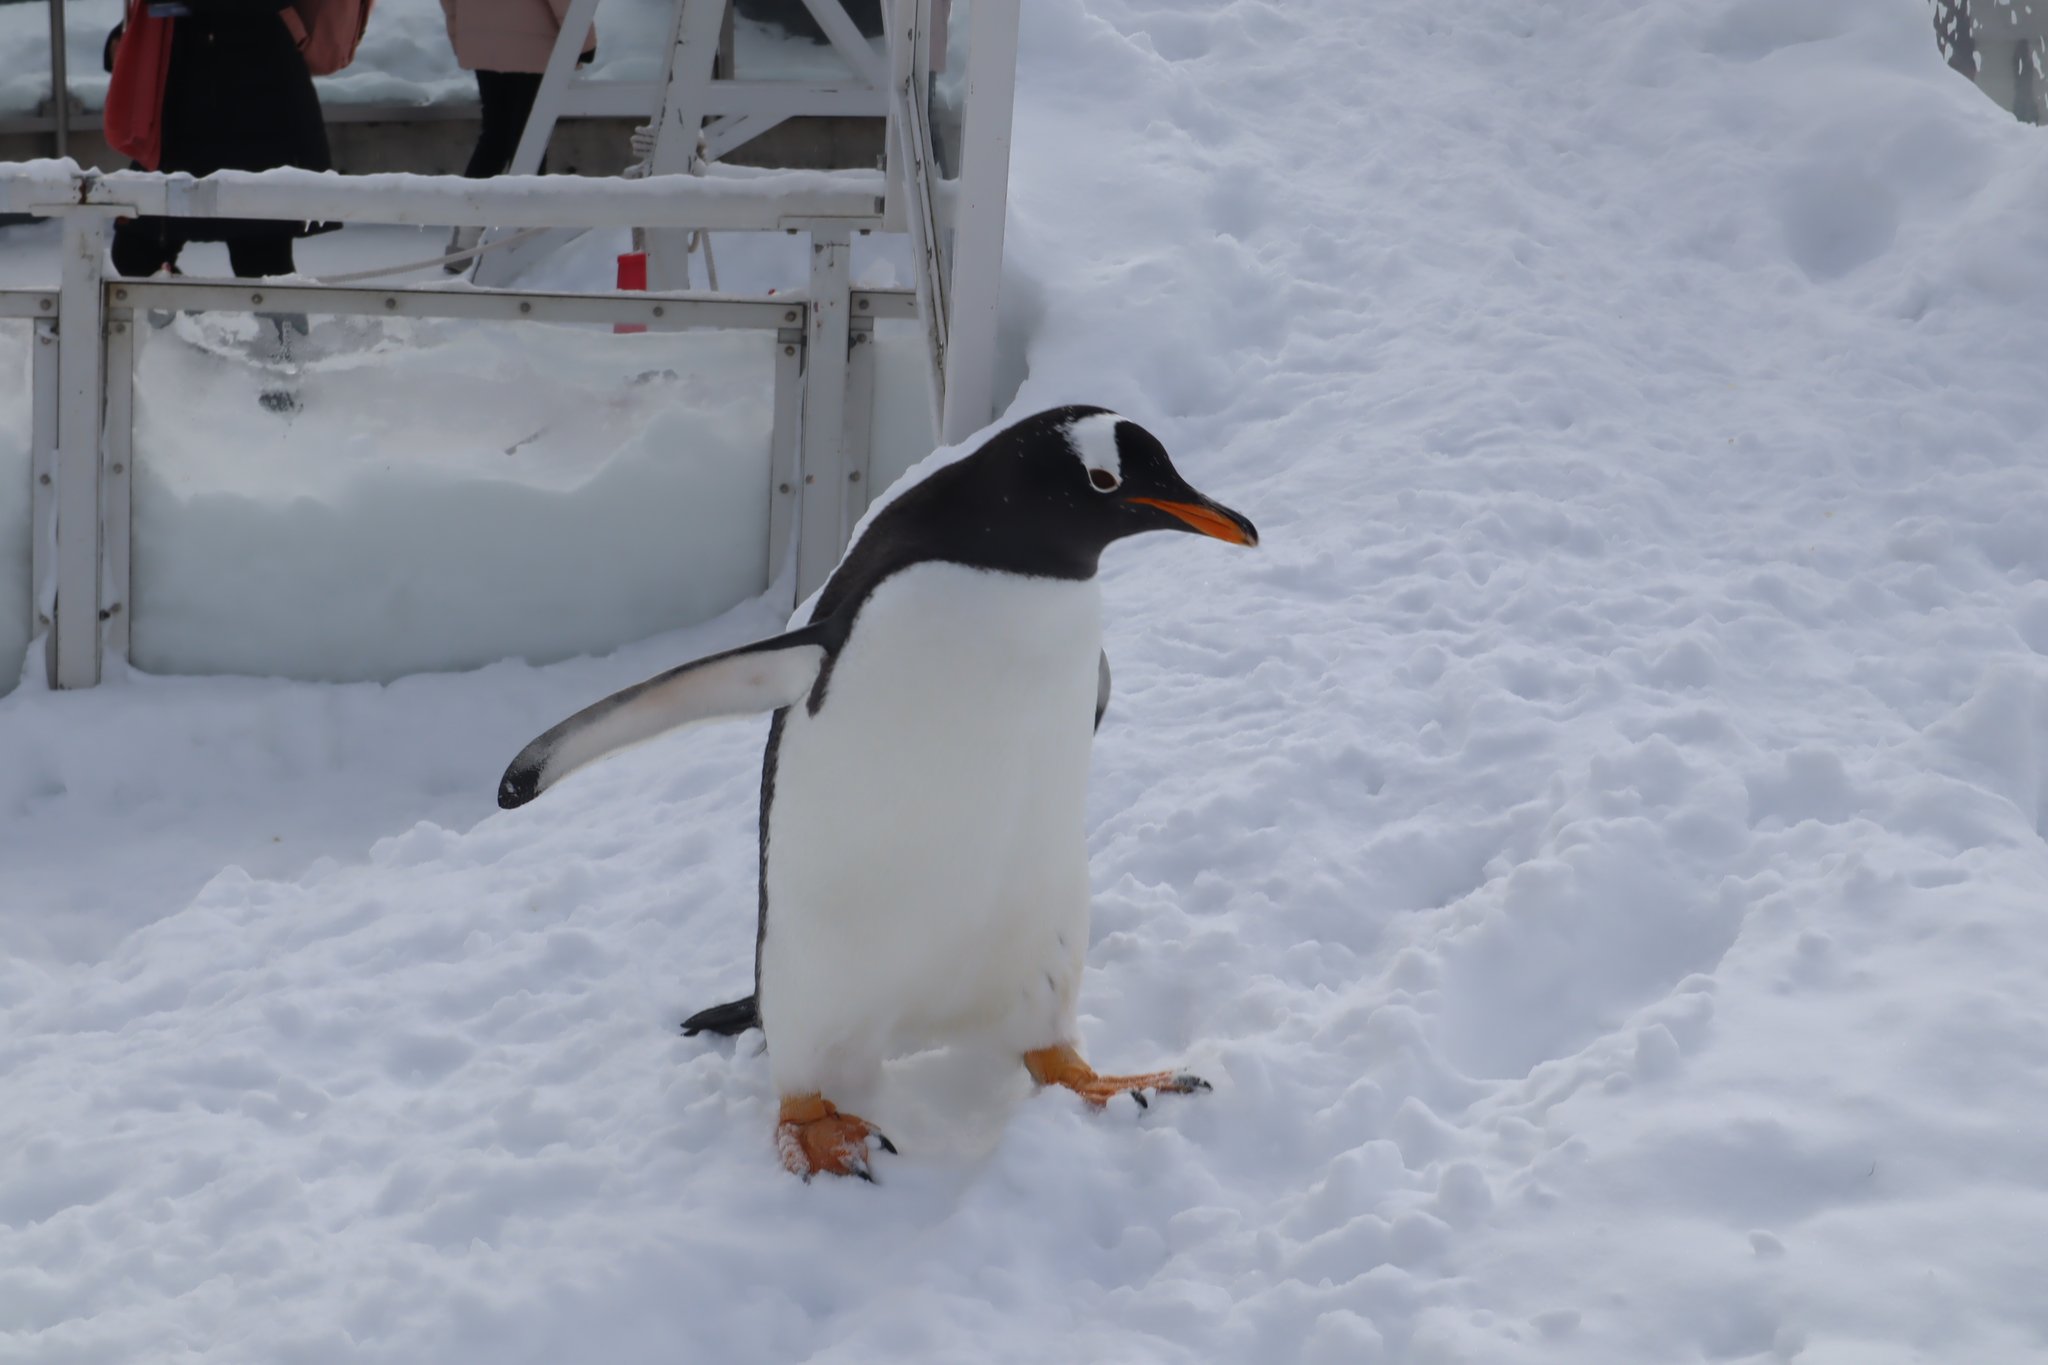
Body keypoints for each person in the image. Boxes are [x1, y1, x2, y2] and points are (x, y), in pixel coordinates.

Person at [104, 0, 334, 281]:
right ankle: (182, 320)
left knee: (264, 270)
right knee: (136, 256)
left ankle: (185, 319)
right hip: (186, 119)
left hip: (251, 119)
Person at [438, 0, 597, 265]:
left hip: (481, 41)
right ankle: (525, 235)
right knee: (529, 138)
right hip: (534, 45)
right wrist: (584, 42)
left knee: (494, 137)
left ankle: (465, 234)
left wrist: (461, 36)